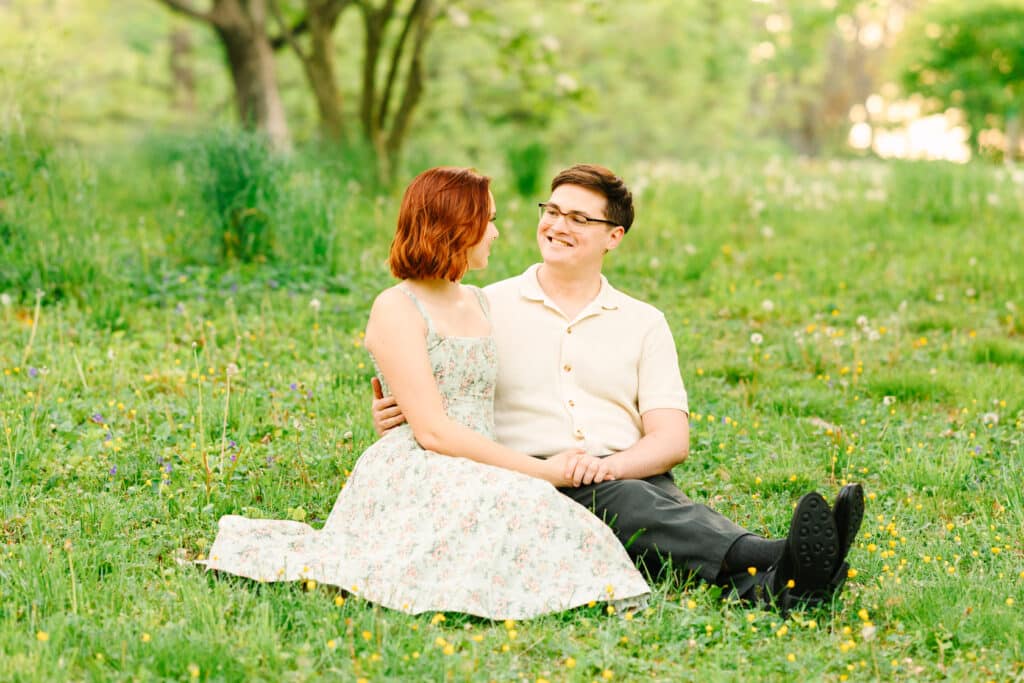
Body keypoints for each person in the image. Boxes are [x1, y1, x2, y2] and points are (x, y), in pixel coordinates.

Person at [372, 164, 864, 611]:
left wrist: (604, 468)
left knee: (653, 504)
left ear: (614, 237)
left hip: (629, 472)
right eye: (553, 211)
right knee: (634, 507)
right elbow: (444, 379)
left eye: (579, 219)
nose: (558, 225)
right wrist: (398, 412)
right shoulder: (484, 308)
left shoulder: (644, 322)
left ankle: (786, 581)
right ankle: (776, 558)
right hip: (538, 477)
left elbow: (671, 439)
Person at [200, 167, 650, 620]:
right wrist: (542, 470)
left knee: (527, 507)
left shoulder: (479, 301)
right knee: (522, 499)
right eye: (487, 221)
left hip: (478, 455)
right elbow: (433, 431)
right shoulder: (396, 306)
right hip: (421, 460)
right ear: (456, 228)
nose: (495, 233)